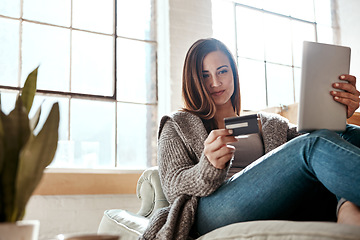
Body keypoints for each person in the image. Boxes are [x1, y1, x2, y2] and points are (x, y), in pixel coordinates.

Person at [140, 38, 360, 240]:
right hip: (213, 209)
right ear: (193, 80)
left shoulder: (268, 123)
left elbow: (321, 142)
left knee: (349, 132)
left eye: (222, 71)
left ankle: (348, 210)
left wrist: (337, 112)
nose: (215, 82)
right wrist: (207, 168)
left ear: (233, 73)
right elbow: (172, 185)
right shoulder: (178, 124)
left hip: (275, 201)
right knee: (315, 145)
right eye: (205, 75)